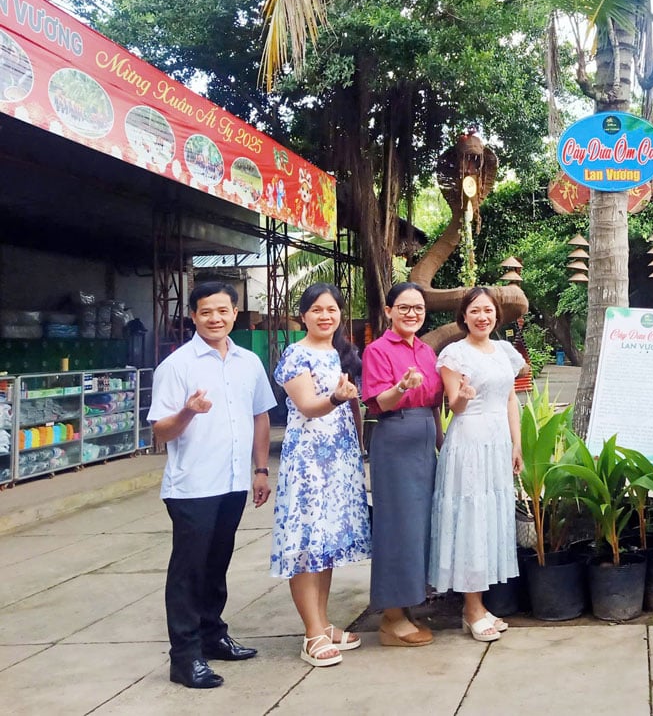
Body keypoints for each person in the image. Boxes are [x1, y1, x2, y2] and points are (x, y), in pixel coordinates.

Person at [149, 282, 276, 689]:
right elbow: (160, 434)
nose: (215, 318)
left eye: (223, 311)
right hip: (193, 487)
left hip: (234, 482)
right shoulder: (177, 366)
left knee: (216, 564)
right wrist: (188, 411)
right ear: (193, 315)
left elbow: (260, 416)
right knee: (189, 571)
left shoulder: (249, 362)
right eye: (206, 312)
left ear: (235, 313)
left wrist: (260, 470)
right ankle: (184, 658)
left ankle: (213, 635)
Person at [271, 283, 371, 667]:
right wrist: (337, 398)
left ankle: (324, 622)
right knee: (305, 544)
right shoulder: (296, 355)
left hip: (340, 460)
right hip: (308, 463)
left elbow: (353, 408)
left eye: (331, 309)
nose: (325, 316)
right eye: (316, 310)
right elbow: (309, 406)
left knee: (326, 542)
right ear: (303, 316)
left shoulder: (341, 354)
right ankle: (311, 632)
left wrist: (358, 448)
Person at [428, 287, 526, 642]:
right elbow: (453, 405)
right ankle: (470, 609)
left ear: (496, 315)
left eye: (487, 310)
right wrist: (463, 399)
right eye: (475, 311)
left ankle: (480, 607)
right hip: (469, 442)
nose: (482, 317)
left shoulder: (504, 351)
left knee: (490, 519)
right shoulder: (454, 355)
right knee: (470, 520)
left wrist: (517, 444)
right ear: (464, 316)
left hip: (498, 443)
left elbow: (511, 399)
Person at [361, 282, 442, 647]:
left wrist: (441, 440)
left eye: (418, 308)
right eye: (404, 307)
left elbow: (435, 403)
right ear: (390, 310)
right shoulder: (377, 350)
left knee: (421, 524)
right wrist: (402, 387)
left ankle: (408, 602)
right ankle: (391, 616)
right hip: (395, 439)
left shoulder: (427, 350)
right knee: (397, 526)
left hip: (426, 436)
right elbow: (381, 401)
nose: (412, 313)